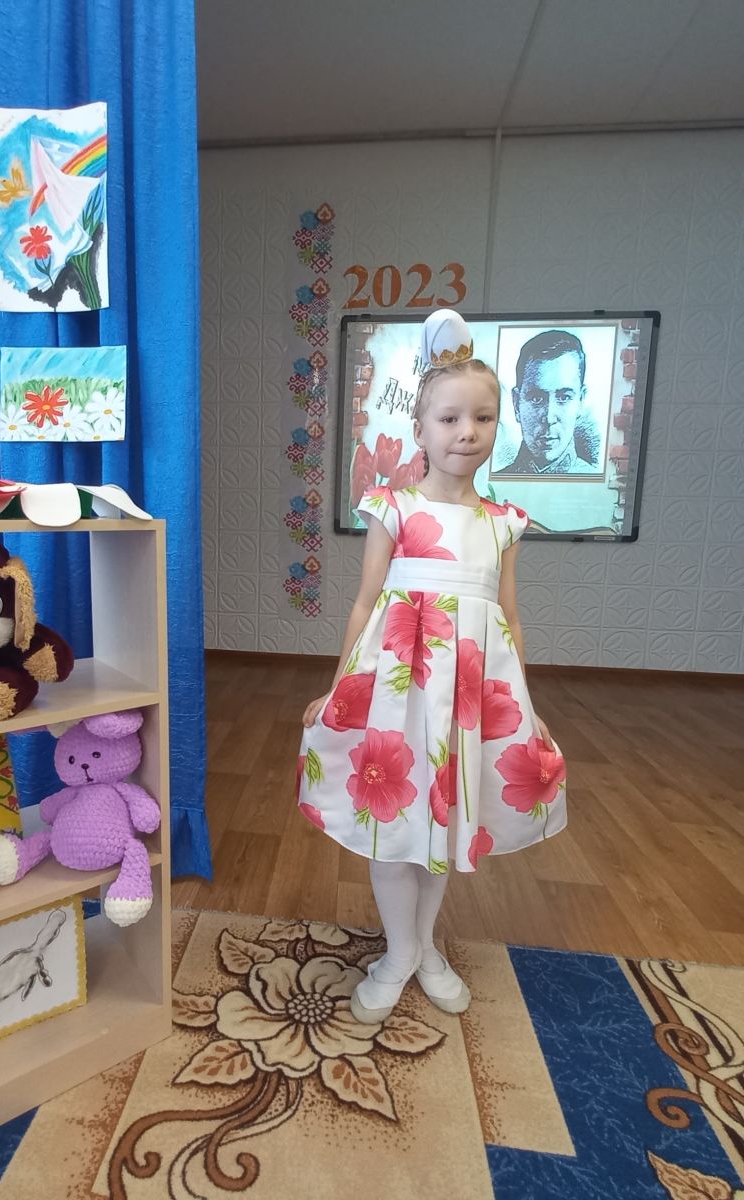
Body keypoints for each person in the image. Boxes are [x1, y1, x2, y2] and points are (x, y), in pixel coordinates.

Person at [298, 309, 568, 1025]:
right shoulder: (391, 507)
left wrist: (528, 705)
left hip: (466, 700)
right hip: (397, 696)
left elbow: (508, 618)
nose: (465, 432)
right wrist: (337, 688)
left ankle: (420, 948)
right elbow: (365, 605)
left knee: (442, 825)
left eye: (482, 418)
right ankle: (399, 953)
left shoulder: (503, 523)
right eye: (448, 419)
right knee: (395, 824)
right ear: (419, 429)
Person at [494, 329, 597, 475]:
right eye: (536, 399)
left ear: (580, 401)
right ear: (516, 404)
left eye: (563, 398)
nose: (549, 418)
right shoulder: (490, 483)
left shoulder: (596, 480)